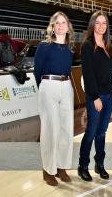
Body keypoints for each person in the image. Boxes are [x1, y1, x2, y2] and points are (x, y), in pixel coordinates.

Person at [34, 11, 75, 186]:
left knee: (66, 129)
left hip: (66, 86)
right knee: (51, 130)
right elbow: (37, 71)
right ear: (52, 26)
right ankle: (48, 170)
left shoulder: (70, 48)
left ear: (68, 27)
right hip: (48, 85)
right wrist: (45, 88)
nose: (60, 25)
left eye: (63, 23)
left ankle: (61, 167)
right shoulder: (44, 46)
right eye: (56, 23)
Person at [78, 11, 112, 182]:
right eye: (98, 23)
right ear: (92, 24)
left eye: (104, 23)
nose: (101, 26)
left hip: (110, 94)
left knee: (102, 132)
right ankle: (82, 165)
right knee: (91, 132)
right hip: (97, 96)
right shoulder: (87, 45)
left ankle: (99, 164)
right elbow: (88, 74)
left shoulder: (109, 44)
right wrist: (95, 97)